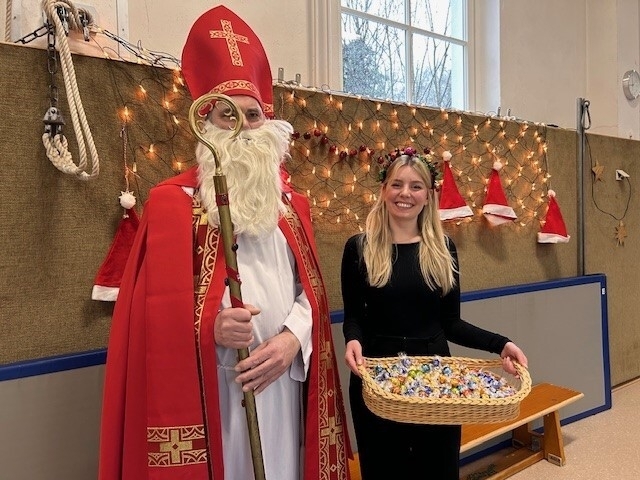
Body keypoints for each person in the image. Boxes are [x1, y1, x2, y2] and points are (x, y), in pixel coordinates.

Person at [98, 6, 350, 480]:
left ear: (268, 122)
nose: (242, 126)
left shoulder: (293, 205)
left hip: (285, 381)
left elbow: (310, 292)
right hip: (215, 389)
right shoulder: (173, 204)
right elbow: (151, 316)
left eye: (252, 114)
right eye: (226, 113)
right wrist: (209, 329)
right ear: (206, 123)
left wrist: (292, 341)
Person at [340, 147, 528, 480]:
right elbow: (354, 315)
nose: (405, 194)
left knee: (437, 469)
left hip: (437, 382)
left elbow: (451, 323)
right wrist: (352, 339)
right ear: (384, 190)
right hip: (379, 380)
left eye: (416, 186)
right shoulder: (359, 247)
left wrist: (500, 343)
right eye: (397, 184)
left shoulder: (443, 248)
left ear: (428, 195)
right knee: (383, 469)